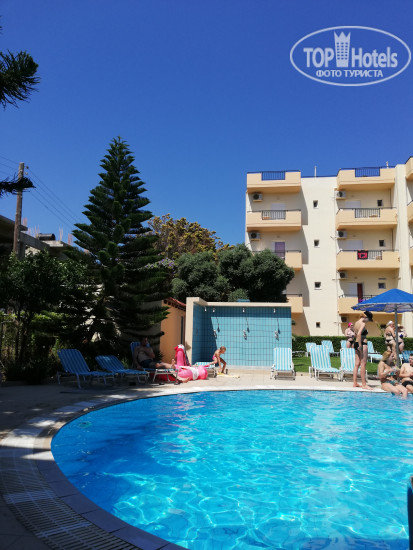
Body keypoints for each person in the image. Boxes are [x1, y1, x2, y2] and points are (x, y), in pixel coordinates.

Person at [353, 311, 373, 389]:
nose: (368, 321)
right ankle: (364, 384)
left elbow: (355, 334)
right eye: (369, 319)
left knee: (356, 364)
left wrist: (357, 343)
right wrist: (360, 345)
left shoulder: (356, 323)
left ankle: (355, 383)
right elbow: (359, 334)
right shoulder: (363, 323)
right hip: (362, 344)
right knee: (363, 364)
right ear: (366, 317)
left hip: (356, 343)